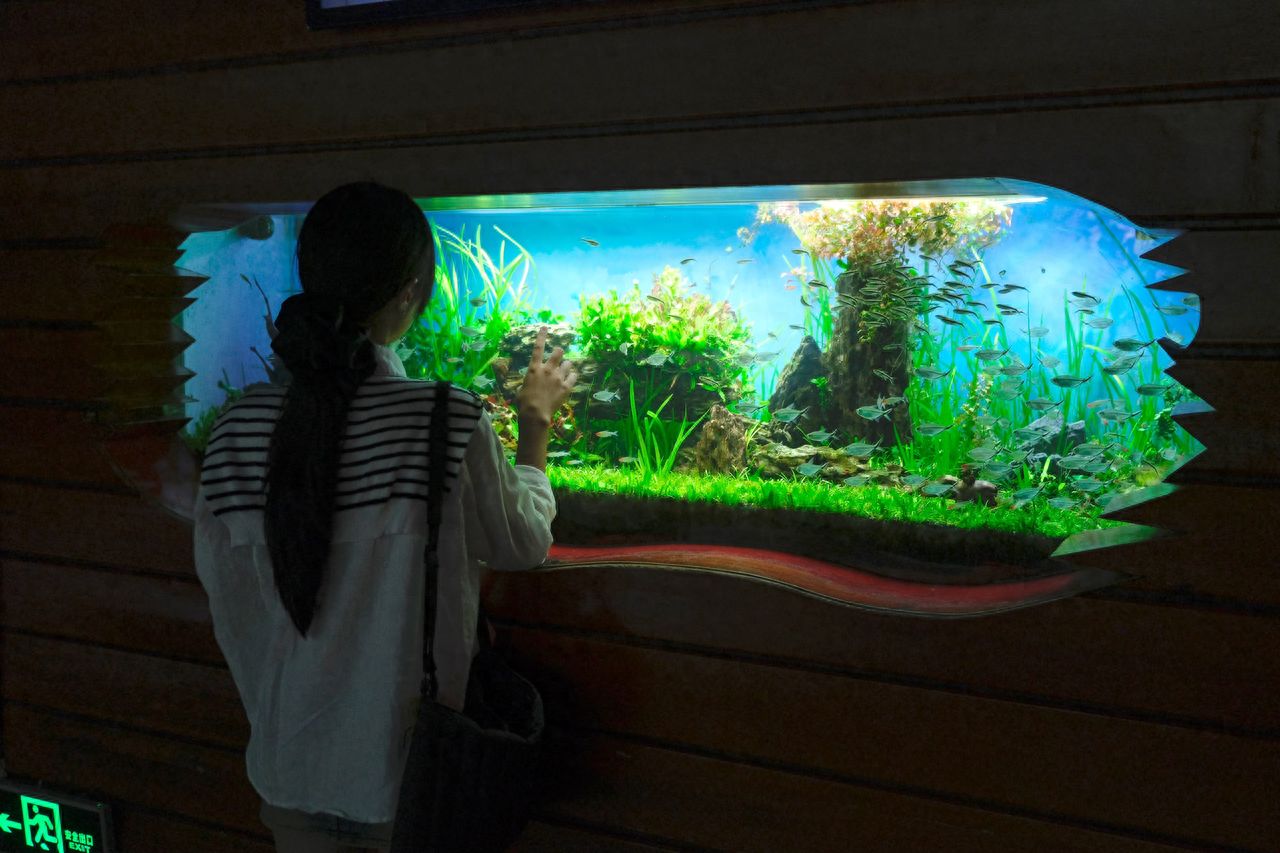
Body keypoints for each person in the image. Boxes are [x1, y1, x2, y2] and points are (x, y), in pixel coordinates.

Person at [192, 181, 577, 852]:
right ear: (409, 292)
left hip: (288, 771)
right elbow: (523, 542)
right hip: (409, 783)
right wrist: (534, 426)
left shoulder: (235, 429)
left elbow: (232, 603)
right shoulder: (443, 418)